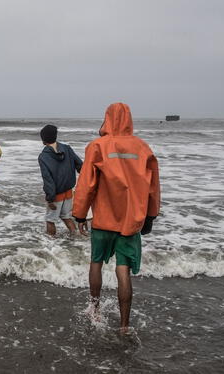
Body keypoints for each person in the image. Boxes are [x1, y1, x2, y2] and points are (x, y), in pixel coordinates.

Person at [72, 102, 161, 334]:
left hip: (103, 218)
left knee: (96, 262)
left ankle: (94, 310)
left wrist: (79, 214)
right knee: (123, 270)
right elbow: (153, 187)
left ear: (107, 119)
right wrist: (150, 216)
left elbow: (86, 184)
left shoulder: (98, 146)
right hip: (130, 220)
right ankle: (124, 325)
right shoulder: (142, 148)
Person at [38, 124, 83, 236]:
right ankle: (76, 238)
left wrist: (50, 199)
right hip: (68, 191)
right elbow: (80, 166)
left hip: (56, 194)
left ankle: (51, 244)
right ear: (55, 136)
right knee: (66, 217)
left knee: (50, 220)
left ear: (43, 140)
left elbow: (48, 179)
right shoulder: (66, 149)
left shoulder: (43, 156)